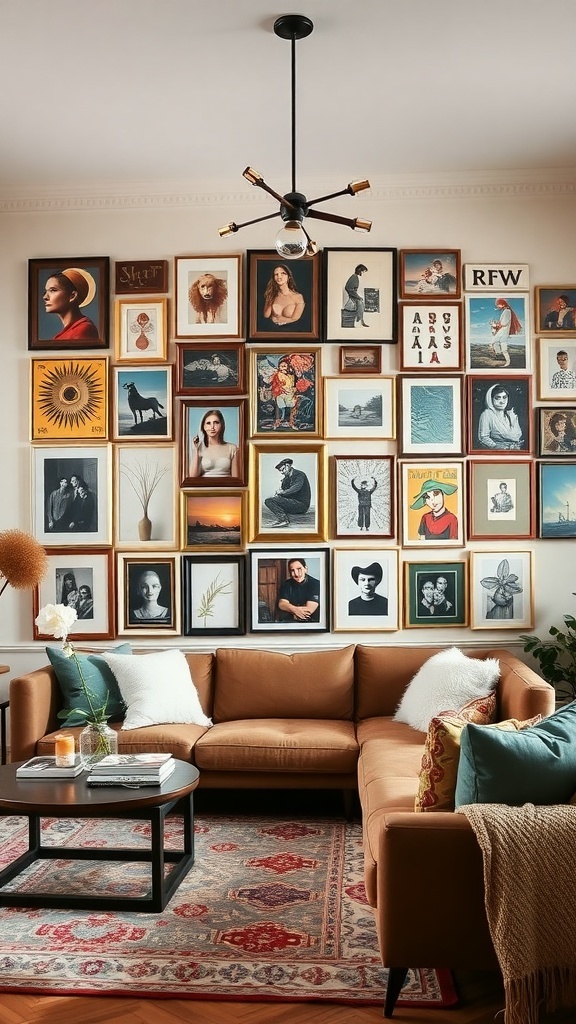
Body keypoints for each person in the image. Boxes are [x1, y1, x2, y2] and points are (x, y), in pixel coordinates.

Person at [43, 267, 99, 341]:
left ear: (72, 296)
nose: (45, 297)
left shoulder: (82, 330)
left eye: (53, 290)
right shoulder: (67, 332)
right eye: (46, 291)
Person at [190, 409, 239, 478]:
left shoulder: (232, 448)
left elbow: (236, 478)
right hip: (204, 484)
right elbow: (193, 476)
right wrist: (196, 450)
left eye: (216, 423)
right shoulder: (199, 447)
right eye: (208, 423)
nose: (212, 427)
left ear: (221, 425)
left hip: (226, 484)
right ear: (204, 427)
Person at [264, 457, 311, 528]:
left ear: (288, 466)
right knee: (272, 500)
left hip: (301, 505)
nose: (281, 472)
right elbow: (284, 490)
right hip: (292, 503)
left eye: (283, 469)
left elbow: (295, 488)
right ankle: (283, 519)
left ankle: (283, 520)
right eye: (280, 471)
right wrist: (278, 495)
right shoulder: (286, 478)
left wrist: (281, 493)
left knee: (269, 501)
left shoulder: (299, 475)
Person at [477, 383, 523, 450]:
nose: (502, 401)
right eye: (497, 398)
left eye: (504, 397)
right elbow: (483, 437)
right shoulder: (487, 414)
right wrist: (499, 448)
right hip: (497, 452)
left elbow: (517, 436)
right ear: (491, 399)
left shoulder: (511, 414)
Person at [277, 557, 320, 623]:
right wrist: (295, 610)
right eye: (292, 570)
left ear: (305, 569)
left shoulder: (315, 584)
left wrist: (289, 611)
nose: (296, 574)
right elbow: (281, 604)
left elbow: (308, 611)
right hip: (291, 623)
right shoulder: (286, 584)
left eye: (299, 569)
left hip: (312, 623)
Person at [489, 298, 522, 367]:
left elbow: (504, 323)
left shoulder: (507, 311)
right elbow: (503, 323)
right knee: (499, 345)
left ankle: (504, 359)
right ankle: (505, 359)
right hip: (503, 331)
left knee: (494, 343)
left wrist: (495, 325)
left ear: (503, 304)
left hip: (503, 332)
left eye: (498, 305)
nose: (497, 306)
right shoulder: (506, 311)